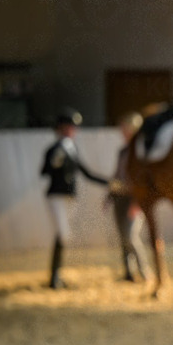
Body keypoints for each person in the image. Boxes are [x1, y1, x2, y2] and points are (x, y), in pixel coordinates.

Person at [40, 107, 109, 289]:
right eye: (69, 127)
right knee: (63, 234)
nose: (73, 130)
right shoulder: (54, 149)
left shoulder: (72, 149)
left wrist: (108, 182)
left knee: (64, 235)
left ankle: (56, 276)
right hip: (56, 196)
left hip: (70, 197)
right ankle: (54, 277)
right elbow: (44, 171)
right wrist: (55, 162)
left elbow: (86, 173)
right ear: (61, 128)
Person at [106, 112, 150, 282]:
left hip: (134, 198)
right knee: (123, 236)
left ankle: (145, 271)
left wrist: (137, 202)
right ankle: (129, 272)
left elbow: (143, 180)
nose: (122, 132)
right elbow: (117, 174)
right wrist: (109, 195)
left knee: (131, 236)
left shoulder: (140, 152)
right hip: (120, 197)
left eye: (125, 128)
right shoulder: (123, 151)